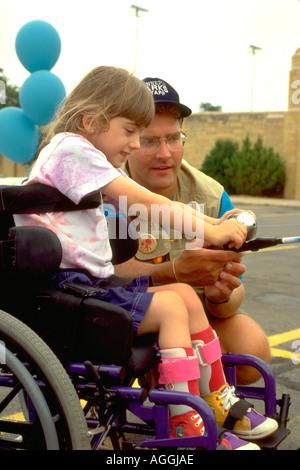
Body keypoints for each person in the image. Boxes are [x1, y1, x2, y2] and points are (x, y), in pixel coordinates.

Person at [14, 66, 277, 448]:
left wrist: (217, 235)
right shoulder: (72, 150)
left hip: (84, 285)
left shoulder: (79, 156)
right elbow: (144, 202)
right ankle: (186, 423)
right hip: (68, 288)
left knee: (185, 296)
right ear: (91, 121)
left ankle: (216, 399)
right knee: (172, 308)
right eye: (132, 132)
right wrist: (213, 230)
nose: (136, 145)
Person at [118, 77, 271, 385]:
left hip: (195, 319)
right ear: (130, 142)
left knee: (252, 348)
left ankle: (196, 395)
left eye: (173, 138)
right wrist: (175, 271)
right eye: (150, 141)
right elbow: (104, 275)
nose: (165, 153)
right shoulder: (108, 192)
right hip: (129, 318)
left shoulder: (212, 195)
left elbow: (234, 291)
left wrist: (219, 295)